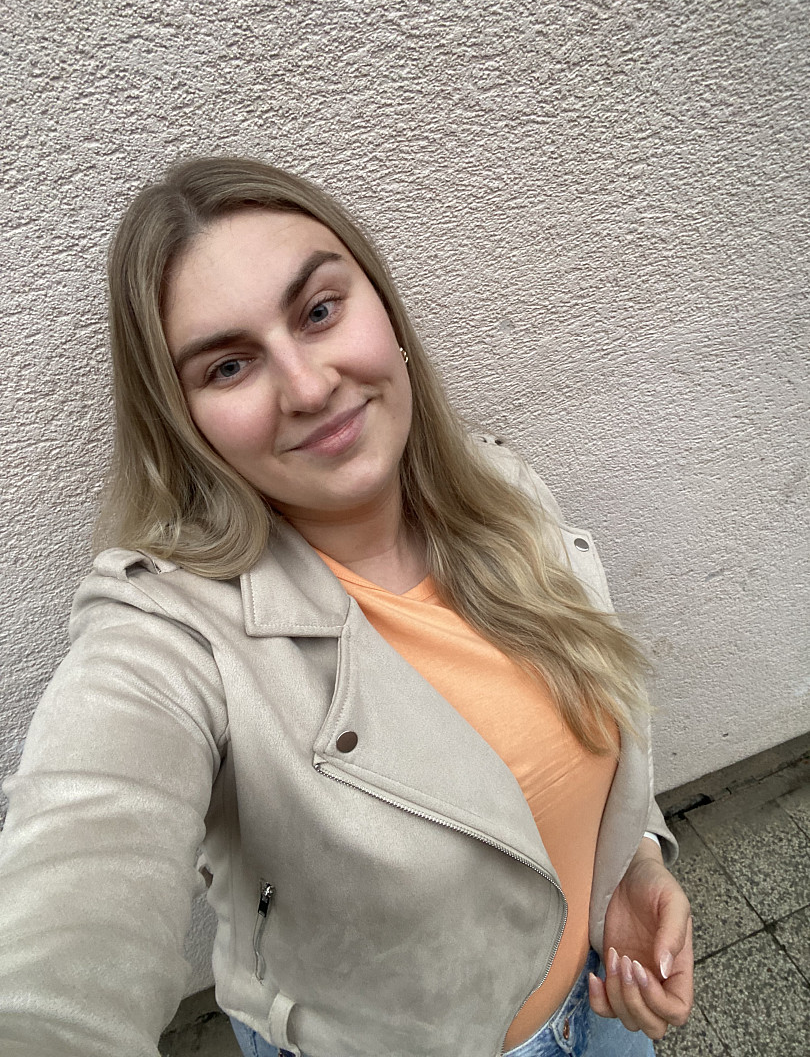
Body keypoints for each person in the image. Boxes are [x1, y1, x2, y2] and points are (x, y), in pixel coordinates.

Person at [0, 157, 693, 1057]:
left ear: (384, 310)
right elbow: (70, 904)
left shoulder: (506, 493)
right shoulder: (173, 634)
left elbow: (584, 744)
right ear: (184, 421)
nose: (308, 386)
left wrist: (634, 858)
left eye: (320, 311)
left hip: (604, 1008)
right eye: (229, 365)